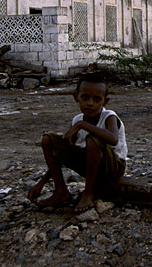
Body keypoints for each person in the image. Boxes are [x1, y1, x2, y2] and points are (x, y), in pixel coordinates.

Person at [28, 72, 127, 212]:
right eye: (85, 97)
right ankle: (61, 191)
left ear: (105, 101)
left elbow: (113, 139)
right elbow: (62, 153)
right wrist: (42, 182)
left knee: (92, 140)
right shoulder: (77, 120)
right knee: (48, 139)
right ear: (76, 97)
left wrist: (82, 125)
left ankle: (88, 193)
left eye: (97, 99)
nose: (90, 103)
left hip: (113, 168)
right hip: (90, 164)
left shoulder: (109, 117)